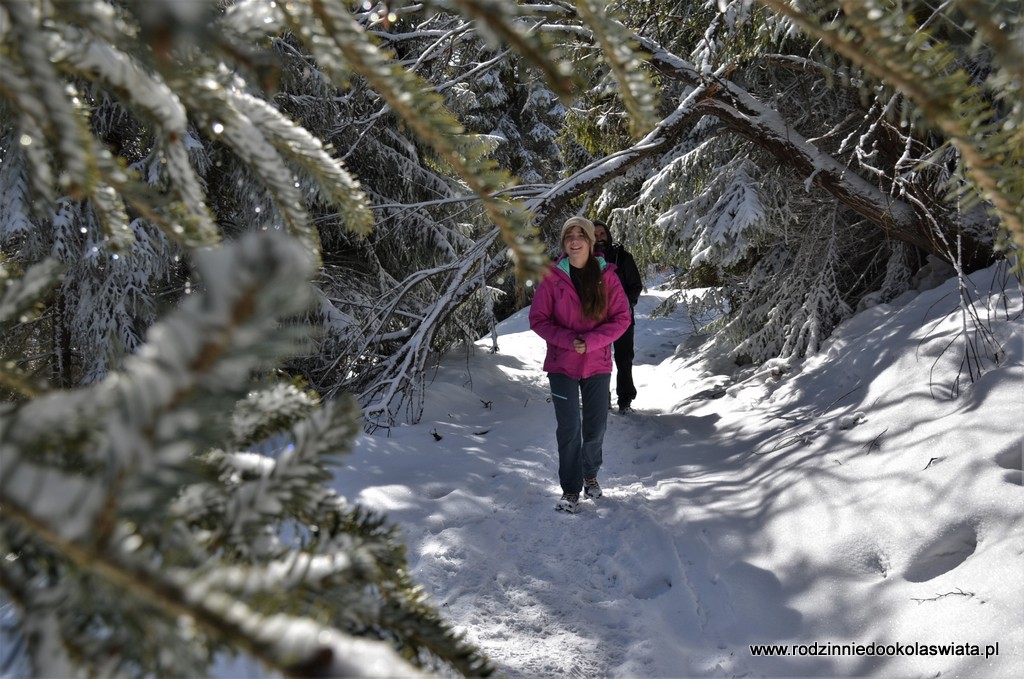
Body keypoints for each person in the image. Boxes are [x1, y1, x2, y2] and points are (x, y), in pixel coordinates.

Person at [529, 216, 632, 513]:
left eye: (581, 235)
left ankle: (591, 473)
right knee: (569, 428)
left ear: (590, 241)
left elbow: (622, 318)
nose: (574, 240)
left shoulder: (607, 275)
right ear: (564, 243)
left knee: (596, 427)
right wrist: (567, 339)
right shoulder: (552, 277)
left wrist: (593, 341)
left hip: (597, 363)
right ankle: (571, 489)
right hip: (562, 364)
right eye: (569, 235)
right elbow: (538, 319)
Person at [592, 219, 644, 412]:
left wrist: (624, 305)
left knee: (624, 358)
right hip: (595, 319)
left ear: (608, 234)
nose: (599, 239)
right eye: (595, 235)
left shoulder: (623, 257)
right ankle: (601, 399)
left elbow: (635, 286)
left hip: (621, 318)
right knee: (598, 360)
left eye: (602, 234)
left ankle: (625, 400)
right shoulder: (584, 260)